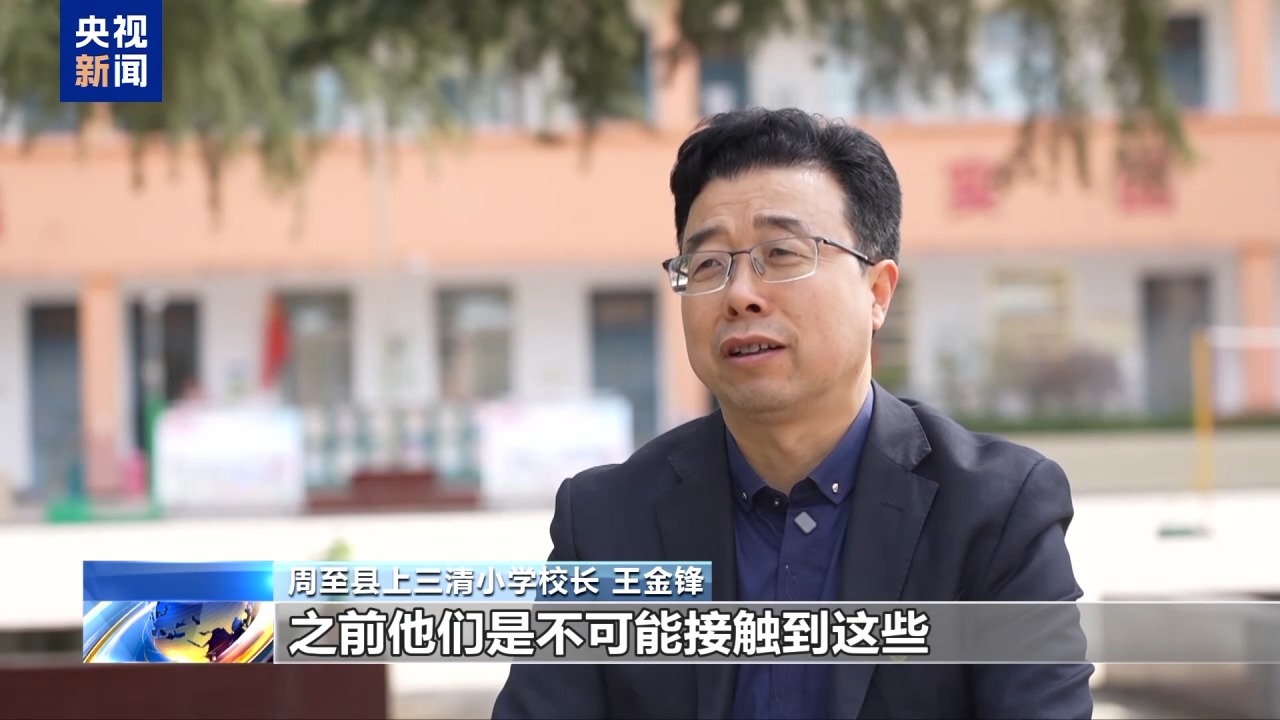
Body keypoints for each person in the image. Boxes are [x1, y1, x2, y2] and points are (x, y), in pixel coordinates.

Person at [492, 107, 1093, 719]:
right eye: (708, 264)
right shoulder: (606, 524)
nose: (739, 296)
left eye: (781, 253)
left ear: (877, 293)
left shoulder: (995, 513)